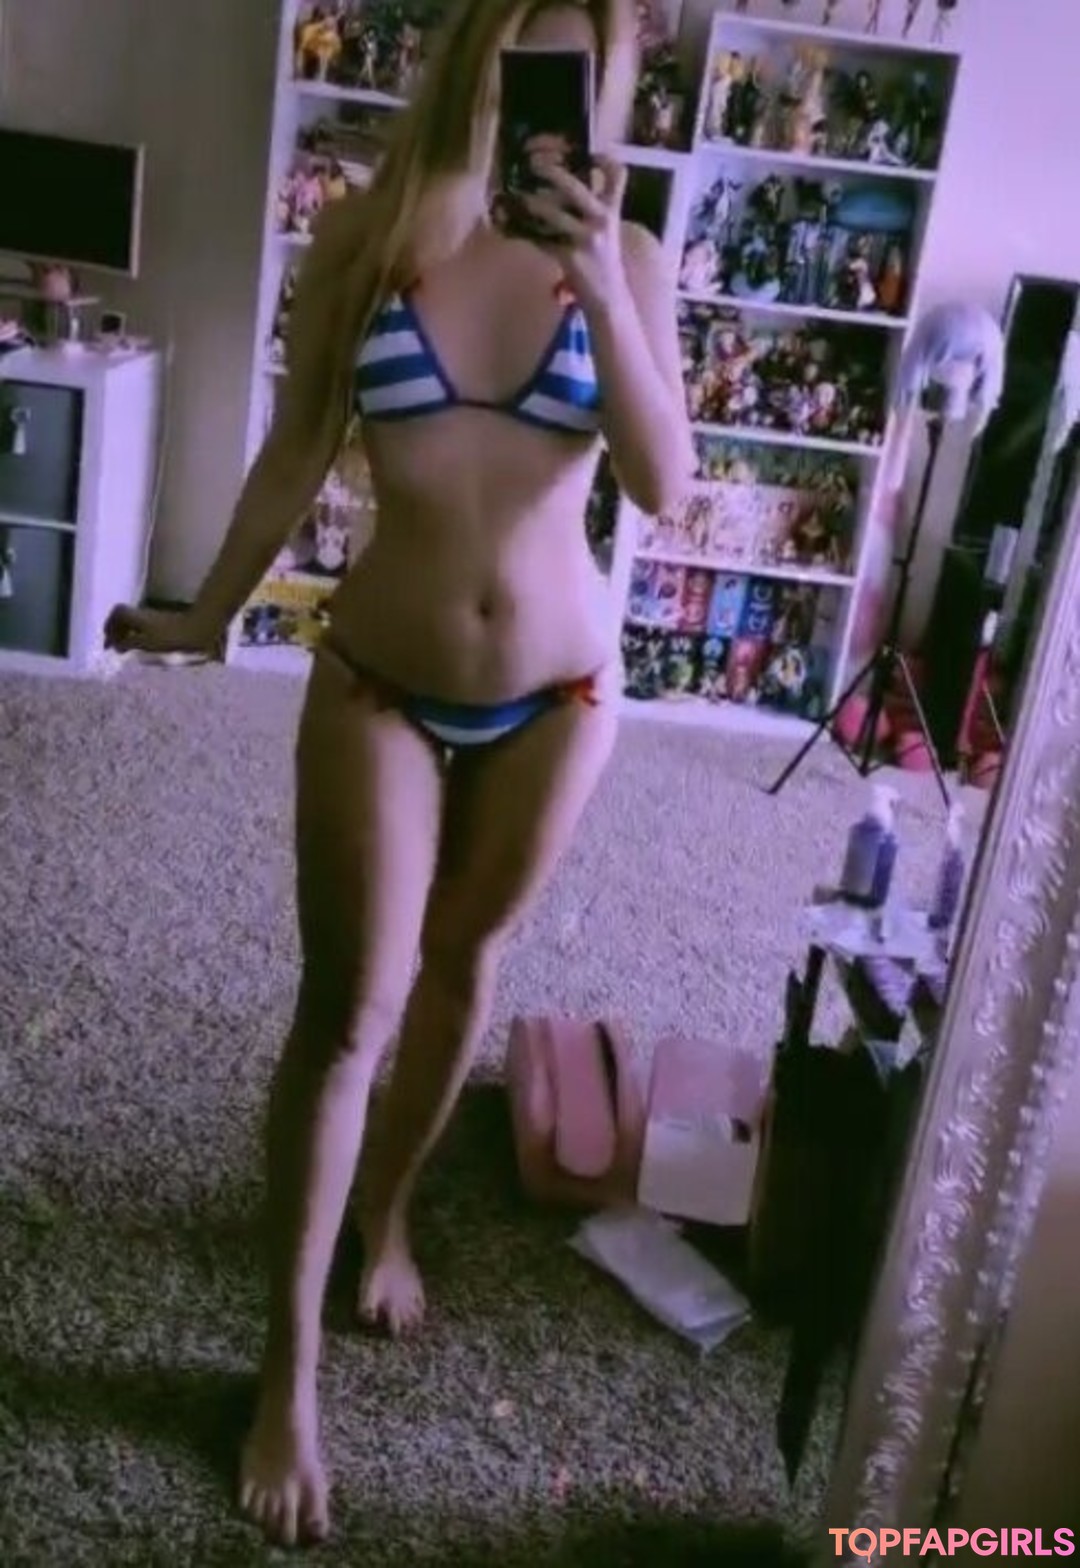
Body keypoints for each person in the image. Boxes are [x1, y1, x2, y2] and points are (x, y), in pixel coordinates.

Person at [104, 0, 694, 1547]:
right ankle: (286, 1374)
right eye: (530, 60)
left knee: (462, 965)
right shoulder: (365, 236)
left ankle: (387, 1213)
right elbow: (297, 445)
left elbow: (667, 483)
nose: (560, 98)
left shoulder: (630, 260)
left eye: (592, 74)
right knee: (347, 1009)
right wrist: (204, 612)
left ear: (619, 90)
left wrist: (598, 280)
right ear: (471, 61)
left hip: (559, 696)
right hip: (377, 679)